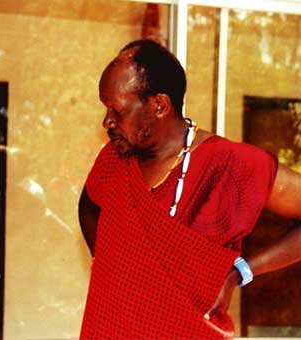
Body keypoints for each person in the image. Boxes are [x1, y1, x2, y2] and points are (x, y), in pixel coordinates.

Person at [78, 39, 301, 339]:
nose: (107, 121)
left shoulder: (229, 164)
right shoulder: (113, 161)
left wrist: (241, 272)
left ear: (159, 105)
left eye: (118, 110)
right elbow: (89, 206)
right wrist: (117, 271)